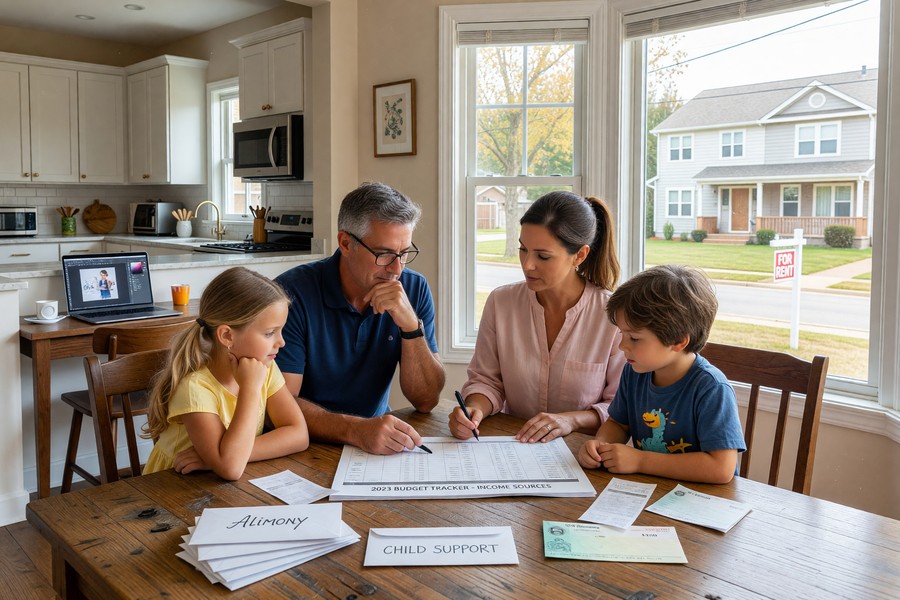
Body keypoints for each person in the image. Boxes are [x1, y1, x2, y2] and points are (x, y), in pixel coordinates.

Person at [275, 182, 446, 455]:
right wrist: (356, 429)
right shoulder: (289, 295)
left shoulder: (414, 289)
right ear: (345, 243)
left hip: (373, 444)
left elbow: (426, 401)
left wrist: (411, 328)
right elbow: (279, 405)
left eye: (404, 254)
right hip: (297, 446)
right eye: (384, 254)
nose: (396, 269)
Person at [449, 191, 626, 443]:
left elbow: (621, 407)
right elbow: (486, 381)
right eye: (523, 249)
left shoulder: (613, 316)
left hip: (583, 455)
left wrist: (570, 419)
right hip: (514, 447)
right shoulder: (501, 303)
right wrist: (475, 408)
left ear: (580, 255)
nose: (527, 264)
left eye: (543, 256)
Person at [576, 264, 746, 484]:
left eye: (634, 338)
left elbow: (721, 468)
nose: (621, 346)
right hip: (651, 493)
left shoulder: (711, 388)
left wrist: (640, 461)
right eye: (622, 334)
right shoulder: (634, 371)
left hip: (701, 503)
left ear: (678, 341)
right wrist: (600, 446)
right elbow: (618, 424)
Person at [142, 267, 309, 480]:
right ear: (227, 335)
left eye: (281, 330)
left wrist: (215, 459)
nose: (281, 342)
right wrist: (250, 388)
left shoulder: (264, 368)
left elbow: (298, 434)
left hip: (217, 487)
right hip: (170, 489)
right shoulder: (195, 388)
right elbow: (230, 469)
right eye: (269, 333)